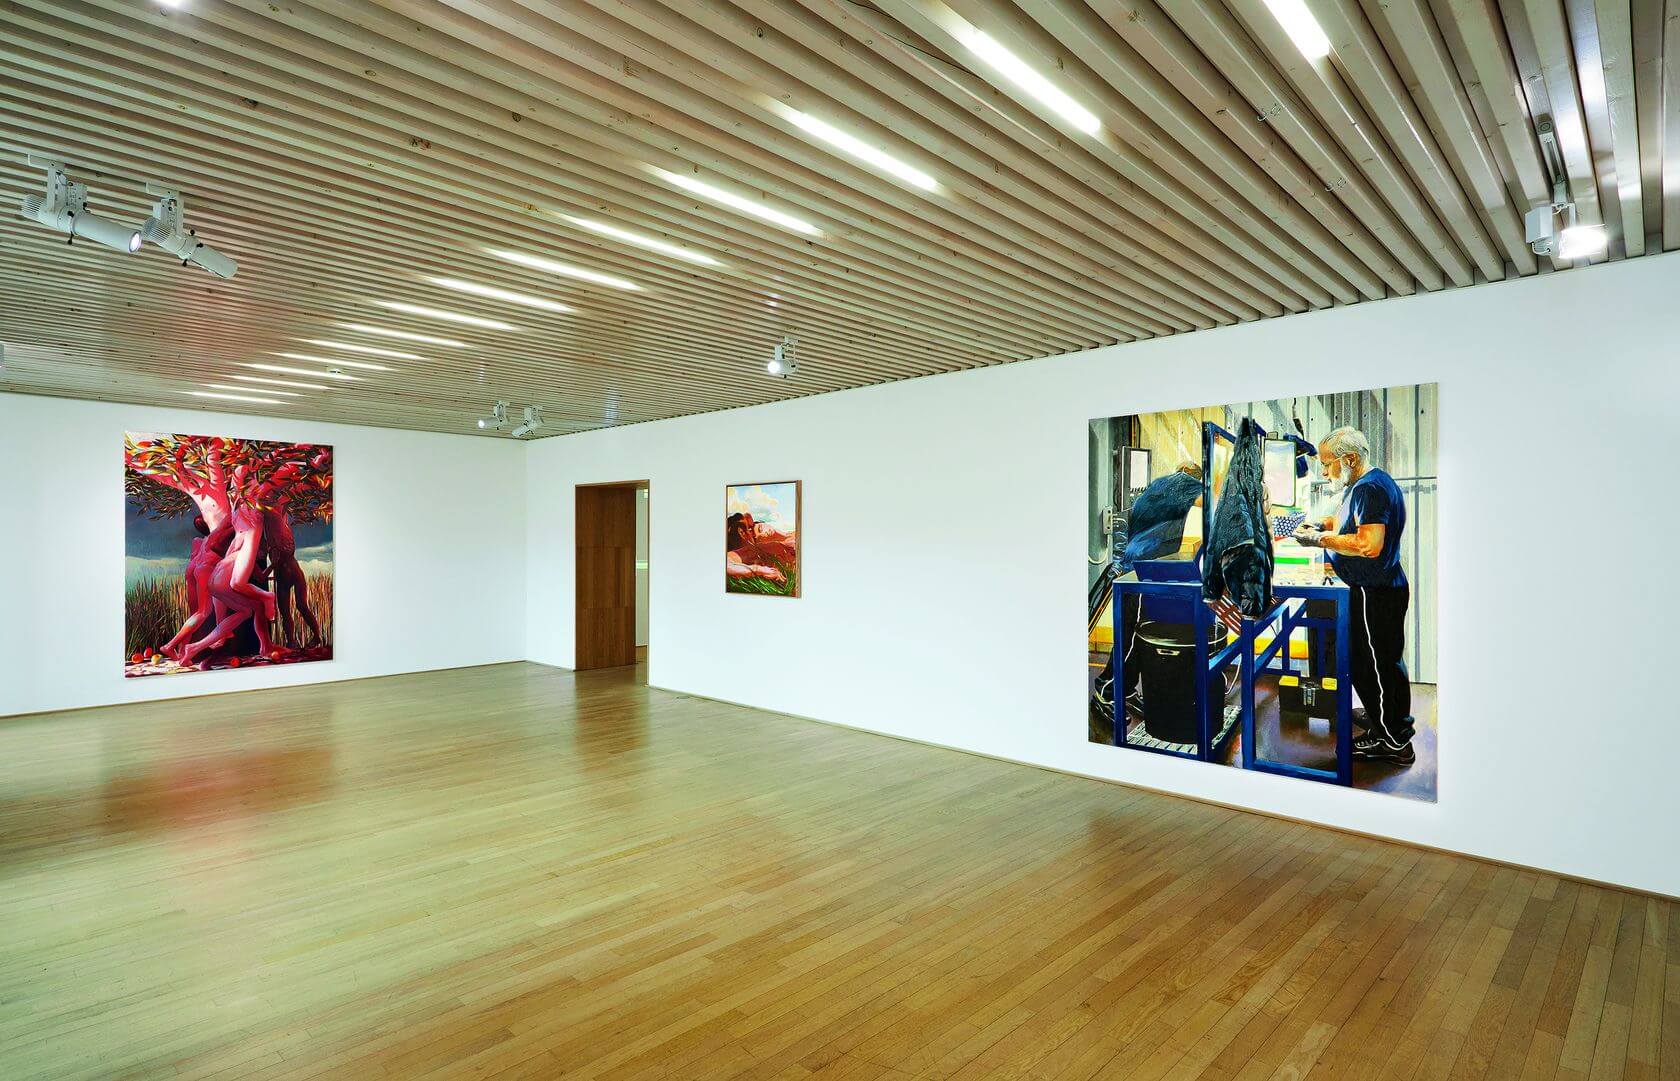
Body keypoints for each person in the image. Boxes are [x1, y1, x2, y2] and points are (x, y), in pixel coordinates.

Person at [1294, 427, 1415, 764]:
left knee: (1376, 666)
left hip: (1374, 591)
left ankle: (1393, 741)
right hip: (1375, 589)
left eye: (1327, 464)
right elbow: (1348, 522)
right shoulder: (1364, 484)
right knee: (1376, 664)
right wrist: (1322, 526)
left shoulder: (1370, 489)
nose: (1323, 472)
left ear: (1348, 459)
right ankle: (1384, 720)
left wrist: (1318, 540)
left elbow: (1368, 544)